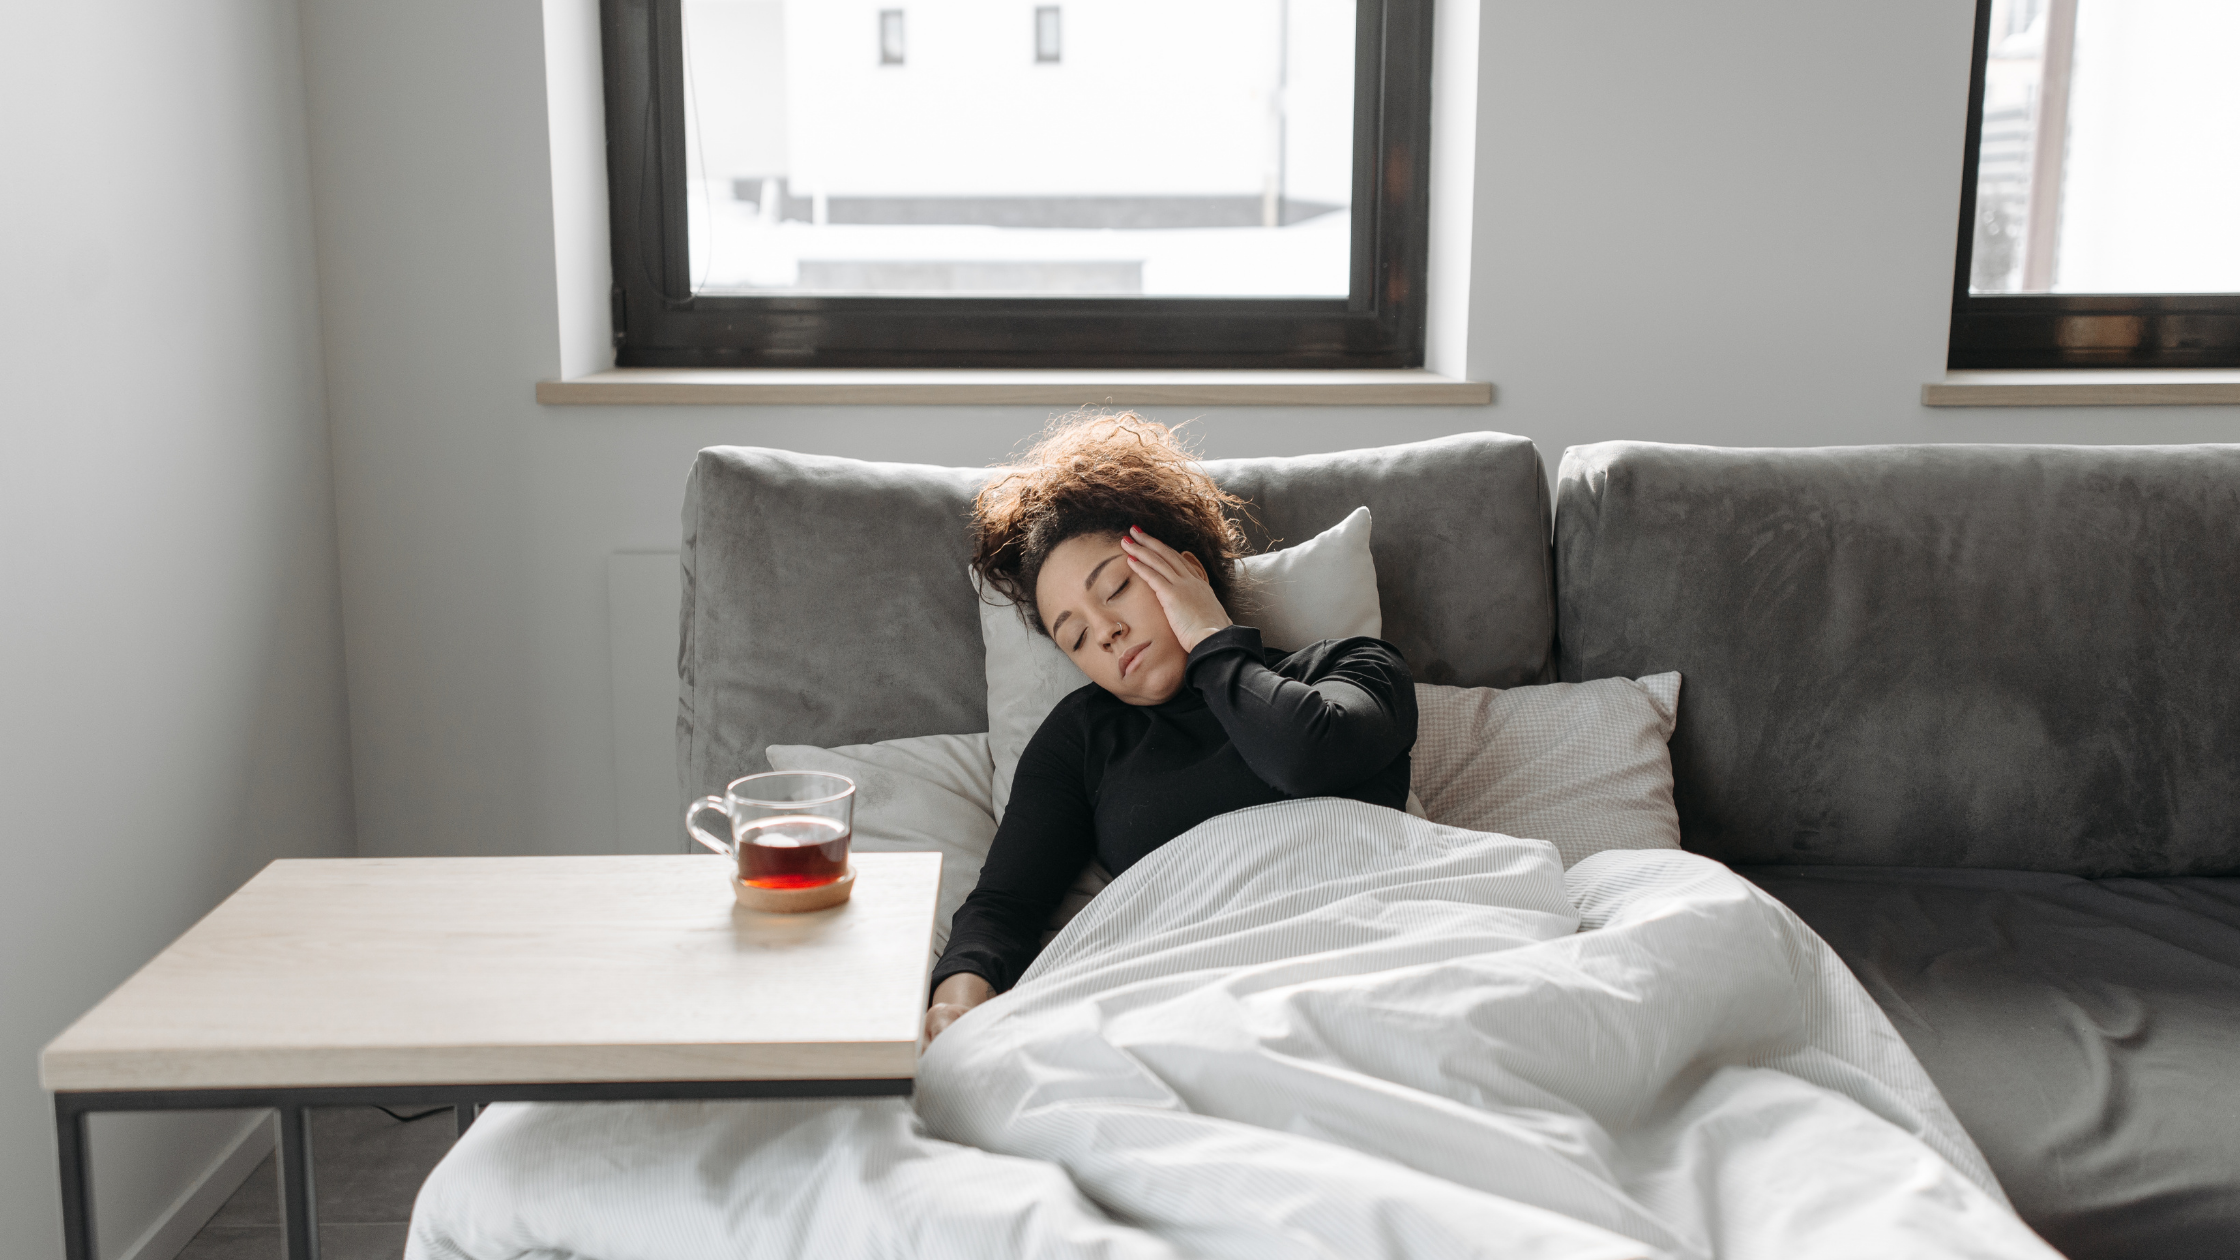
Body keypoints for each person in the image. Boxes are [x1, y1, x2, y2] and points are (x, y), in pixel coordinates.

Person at [924, 414, 1417, 1043]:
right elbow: (1004, 906)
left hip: (1380, 953)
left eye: (1118, 588)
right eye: (1075, 638)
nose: (1103, 631)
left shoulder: (1351, 667)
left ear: (1185, 568)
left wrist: (1212, 641)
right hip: (1188, 999)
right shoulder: (1082, 738)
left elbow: (1307, 757)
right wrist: (956, 1003)